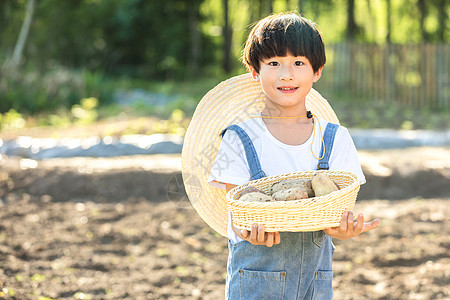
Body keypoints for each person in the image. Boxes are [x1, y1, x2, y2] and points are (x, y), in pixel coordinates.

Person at [206, 12, 381, 299]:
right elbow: (236, 212)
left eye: (298, 63)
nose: (286, 74)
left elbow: (337, 213)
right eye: (274, 63)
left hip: (315, 286)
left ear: (317, 71)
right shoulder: (238, 138)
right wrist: (248, 230)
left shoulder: (335, 139)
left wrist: (342, 230)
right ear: (255, 71)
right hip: (254, 283)